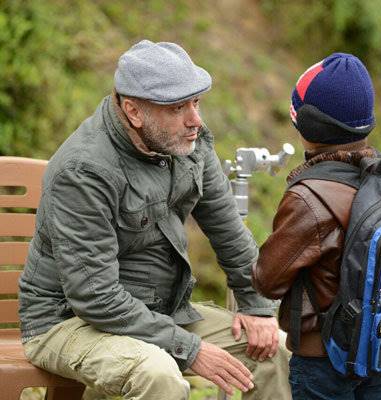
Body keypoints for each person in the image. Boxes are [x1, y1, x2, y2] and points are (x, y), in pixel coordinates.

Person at [18, 39, 290, 400]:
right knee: (157, 373)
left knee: (276, 352)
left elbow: (227, 229)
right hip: (69, 321)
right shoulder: (84, 171)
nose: (195, 120)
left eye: (196, 102)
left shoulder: (188, 144)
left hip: (159, 312)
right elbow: (93, 296)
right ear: (133, 111)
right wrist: (188, 348)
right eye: (178, 107)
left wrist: (257, 306)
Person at [252, 53, 381, 400]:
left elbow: (267, 279)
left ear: (307, 124)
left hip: (324, 358)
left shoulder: (309, 196)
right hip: (377, 351)